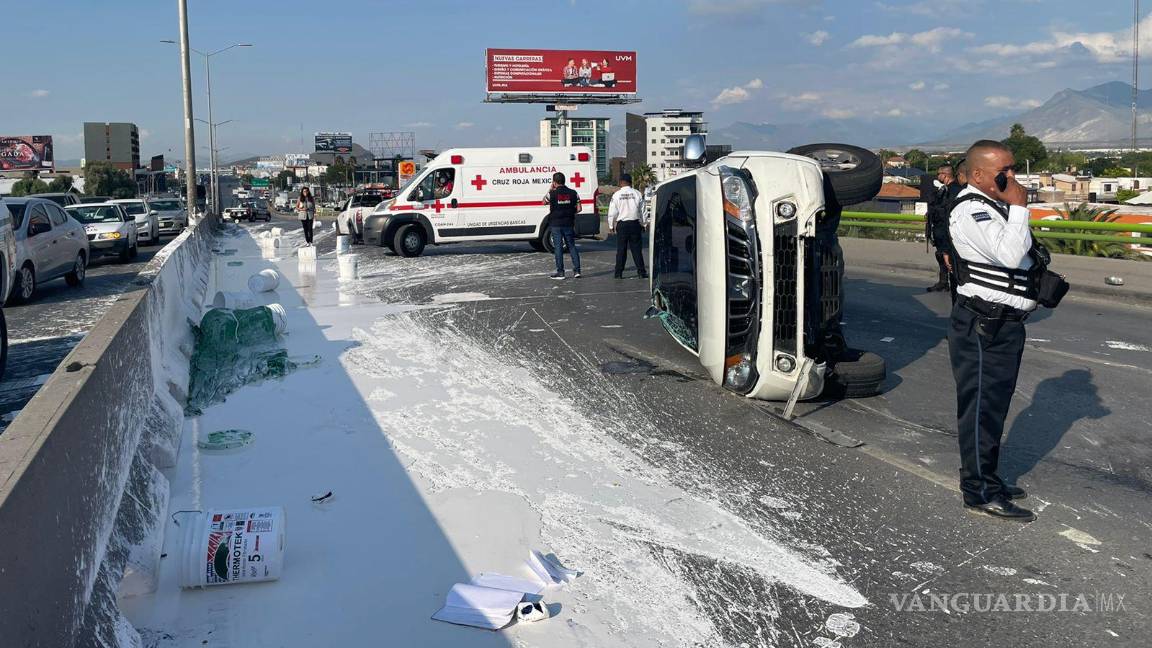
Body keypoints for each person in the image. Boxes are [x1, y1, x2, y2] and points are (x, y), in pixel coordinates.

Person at [947, 140, 1039, 522]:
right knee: (982, 410)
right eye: (1005, 171)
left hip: (1003, 324)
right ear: (981, 175)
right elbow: (1012, 256)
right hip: (984, 324)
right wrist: (1020, 208)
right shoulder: (971, 211)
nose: (1012, 177)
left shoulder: (994, 207)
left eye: (1014, 168)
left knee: (994, 407)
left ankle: (988, 475)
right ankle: (979, 490)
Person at [607, 174, 648, 279]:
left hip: (622, 225)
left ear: (621, 182)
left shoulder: (616, 195)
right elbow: (643, 211)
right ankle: (641, 272)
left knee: (621, 250)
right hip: (635, 224)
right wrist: (644, 224)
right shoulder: (637, 193)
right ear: (630, 182)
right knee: (636, 250)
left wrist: (611, 226)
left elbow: (612, 212)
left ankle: (618, 273)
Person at [542, 172, 582, 279]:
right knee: (572, 246)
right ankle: (577, 271)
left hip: (556, 225)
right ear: (564, 181)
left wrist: (550, 189)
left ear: (554, 182)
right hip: (568, 223)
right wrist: (569, 213)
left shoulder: (552, 194)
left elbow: (543, 202)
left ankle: (561, 272)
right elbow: (579, 209)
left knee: (558, 248)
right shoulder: (574, 193)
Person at [924, 165, 957, 292]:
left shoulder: (953, 190)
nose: (937, 176)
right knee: (940, 255)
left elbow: (947, 210)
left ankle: (954, 283)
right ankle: (943, 281)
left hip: (947, 230)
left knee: (948, 257)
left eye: (939, 174)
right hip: (939, 229)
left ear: (945, 174)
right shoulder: (943, 189)